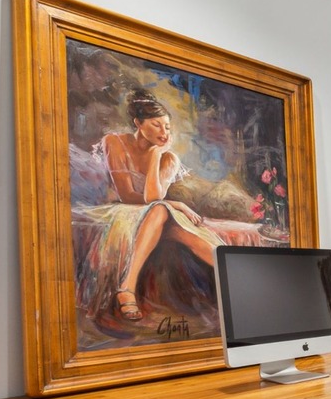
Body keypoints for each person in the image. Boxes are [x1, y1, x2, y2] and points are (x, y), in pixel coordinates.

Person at [75, 88, 223, 322]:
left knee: (183, 231)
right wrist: (175, 204)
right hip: (125, 211)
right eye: (156, 125)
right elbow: (126, 195)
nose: (164, 133)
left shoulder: (168, 158)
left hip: (155, 215)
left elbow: (153, 196)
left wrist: (156, 154)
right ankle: (127, 286)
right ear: (138, 123)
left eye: (167, 127)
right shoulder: (114, 142)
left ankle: (239, 283)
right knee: (162, 210)